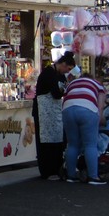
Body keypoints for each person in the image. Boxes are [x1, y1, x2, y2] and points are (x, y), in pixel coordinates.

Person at [32, 51, 76, 180]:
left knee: (57, 140)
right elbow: (56, 93)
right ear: (62, 64)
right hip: (43, 112)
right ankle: (47, 171)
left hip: (55, 112)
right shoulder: (48, 73)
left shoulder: (59, 75)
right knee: (45, 142)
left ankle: (56, 168)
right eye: (67, 69)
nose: (66, 72)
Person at [62, 71, 106, 184]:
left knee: (72, 144)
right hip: (87, 110)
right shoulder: (97, 84)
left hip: (68, 110)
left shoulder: (72, 83)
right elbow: (100, 105)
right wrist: (101, 117)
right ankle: (93, 177)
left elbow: (65, 97)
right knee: (90, 145)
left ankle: (71, 176)